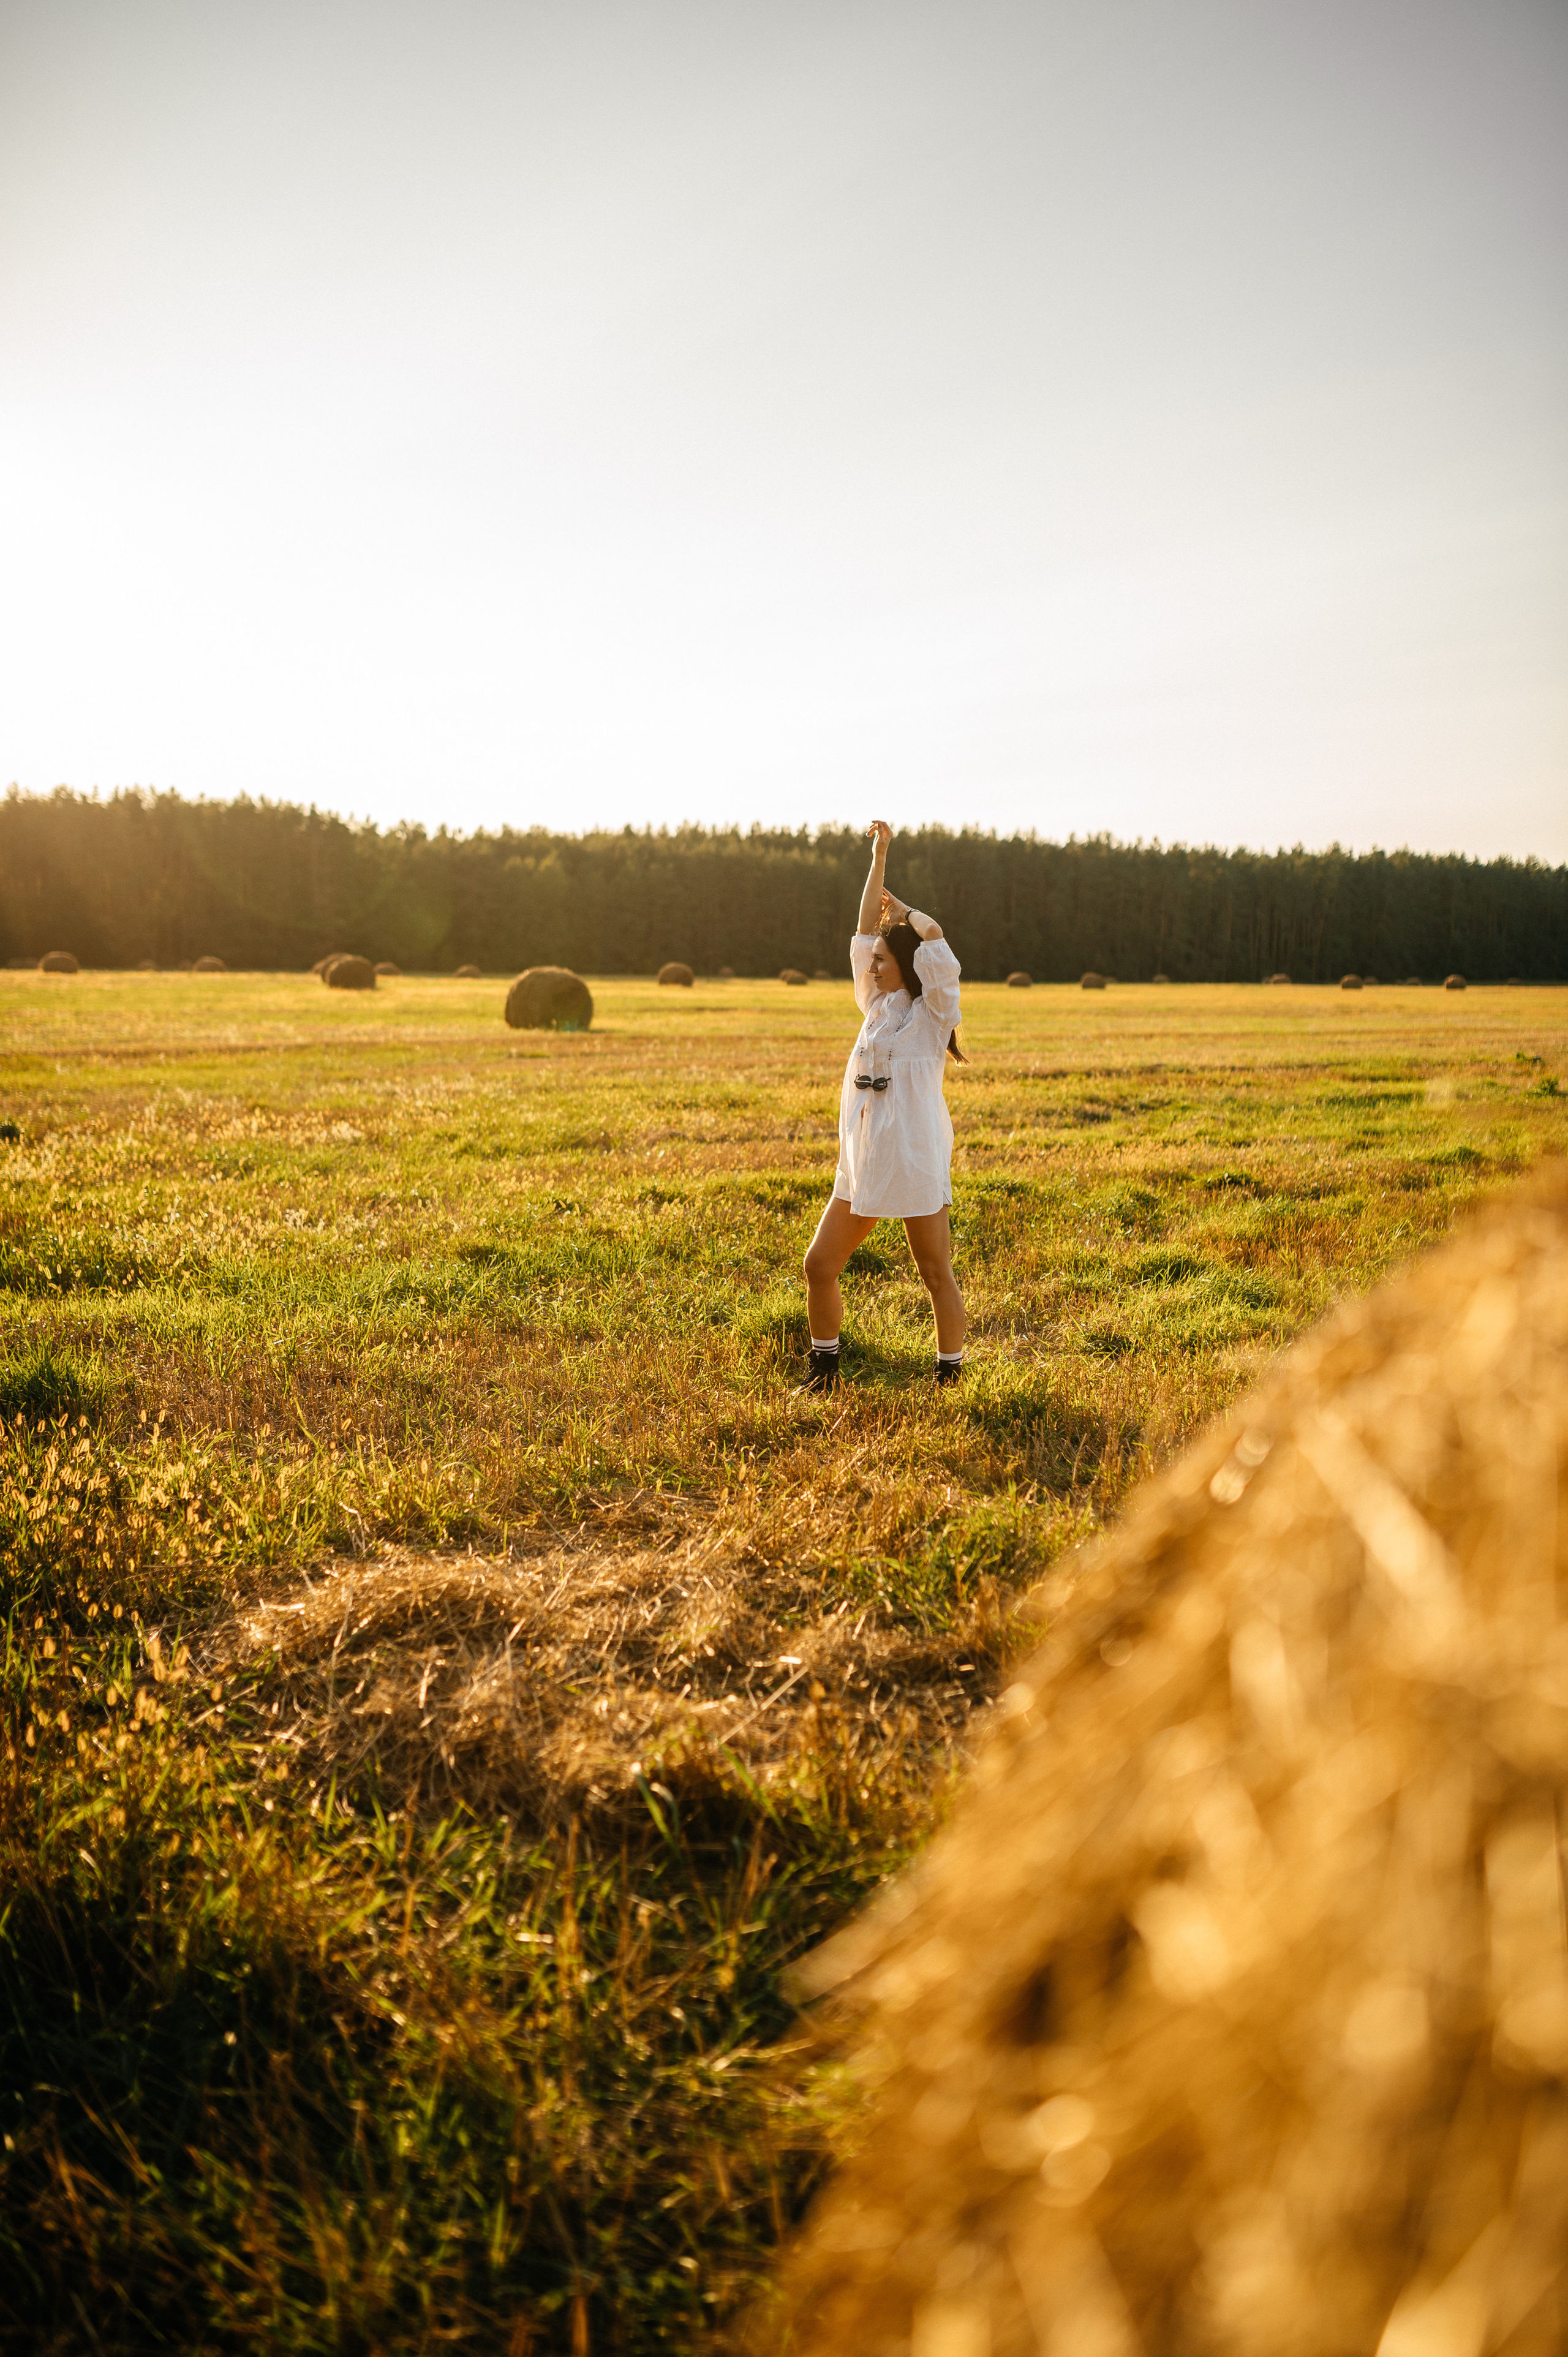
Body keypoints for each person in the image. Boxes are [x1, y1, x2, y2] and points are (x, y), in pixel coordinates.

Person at [801, 819, 967, 1391]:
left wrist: (912, 914)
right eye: (869, 959)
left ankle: (950, 1377)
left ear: (905, 962)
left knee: (934, 1272)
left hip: (916, 1158)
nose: (869, 965)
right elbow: (861, 926)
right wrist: (880, 858)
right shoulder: (873, 1009)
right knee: (819, 1265)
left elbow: (939, 942)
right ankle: (825, 1372)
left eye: (880, 958)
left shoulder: (931, 1017)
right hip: (865, 1160)